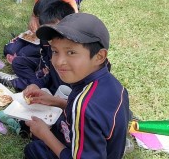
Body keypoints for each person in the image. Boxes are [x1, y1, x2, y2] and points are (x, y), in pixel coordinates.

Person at [23, 13, 130, 159]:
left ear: (99, 56)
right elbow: (95, 117)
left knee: (34, 149)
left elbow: (85, 111)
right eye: (55, 51)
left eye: (71, 52)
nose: (59, 61)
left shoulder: (83, 106)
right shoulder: (114, 85)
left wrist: (44, 134)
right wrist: (55, 101)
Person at [0, 0, 75, 92]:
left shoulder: (67, 51)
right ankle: (30, 82)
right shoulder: (46, 38)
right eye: (36, 18)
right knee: (18, 61)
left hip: (56, 85)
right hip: (44, 72)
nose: (36, 21)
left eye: (38, 18)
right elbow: (45, 59)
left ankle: (21, 82)